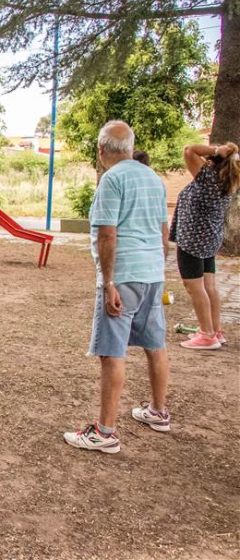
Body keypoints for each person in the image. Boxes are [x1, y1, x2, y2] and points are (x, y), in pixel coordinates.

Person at [64, 121, 170, 455]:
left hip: (124, 275)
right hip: (151, 273)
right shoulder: (153, 178)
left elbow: (107, 234)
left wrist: (109, 282)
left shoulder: (112, 179)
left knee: (112, 352)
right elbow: (163, 232)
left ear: (101, 149)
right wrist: (158, 266)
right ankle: (158, 411)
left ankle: (105, 431)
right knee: (155, 344)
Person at [170, 141, 240, 349]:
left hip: (193, 239)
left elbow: (189, 149)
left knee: (194, 286)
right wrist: (223, 154)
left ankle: (207, 334)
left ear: (215, 162)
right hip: (209, 237)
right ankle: (215, 330)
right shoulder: (229, 182)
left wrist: (218, 151)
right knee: (209, 285)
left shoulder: (207, 178)